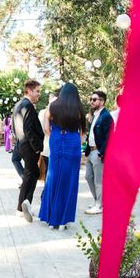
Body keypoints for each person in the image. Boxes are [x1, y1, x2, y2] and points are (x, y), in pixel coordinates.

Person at [38, 84, 86, 230]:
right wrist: (75, 143)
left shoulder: (52, 106)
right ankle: (63, 220)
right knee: (69, 181)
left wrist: (56, 137)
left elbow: (46, 129)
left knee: (52, 178)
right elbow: (83, 133)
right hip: (73, 142)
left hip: (57, 139)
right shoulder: (79, 108)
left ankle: (51, 218)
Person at [12, 79, 44, 223]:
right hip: (29, 146)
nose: (39, 94)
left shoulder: (18, 104)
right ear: (29, 91)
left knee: (33, 173)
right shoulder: (28, 106)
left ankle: (26, 203)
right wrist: (37, 147)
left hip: (21, 144)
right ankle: (22, 206)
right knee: (31, 174)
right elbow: (29, 130)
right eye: (37, 91)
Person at [84, 90, 114, 215]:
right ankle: (99, 202)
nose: (92, 101)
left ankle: (99, 205)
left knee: (98, 181)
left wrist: (102, 152)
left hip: (98, 152)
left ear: (102, 102)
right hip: (90, 151)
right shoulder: (95, 115)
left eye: (94, 99)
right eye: (91, 99)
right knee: (88, 177)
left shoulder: (106, 116)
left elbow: (110, 137)